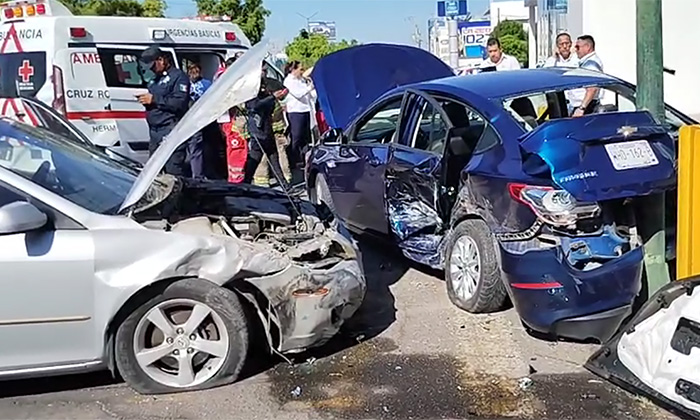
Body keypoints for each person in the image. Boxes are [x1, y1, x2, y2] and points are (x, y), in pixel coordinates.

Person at [137, 46, 190, 175]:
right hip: (155, 132)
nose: (152, 70)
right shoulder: (155, 80)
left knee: (173, 170)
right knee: (153, 172)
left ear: (161, 60)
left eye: (153, 66)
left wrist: (154, 99)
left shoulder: (178, 77)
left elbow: (179, 102)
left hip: (170, 129)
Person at [243, 73, 289, 188]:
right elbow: (255, 106)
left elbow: (270, 106)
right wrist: (273, 97)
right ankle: (245, 184)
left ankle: (285, 186)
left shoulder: (265, 91)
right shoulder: (251, 94)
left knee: (274, 158)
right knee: (254, 161)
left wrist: (277, 96)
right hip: (258, 132)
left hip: (267, 129)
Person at [215, 56, 250, 183]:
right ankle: (236, 180)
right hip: (230, 119)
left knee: (235, 149)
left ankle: (235, 178)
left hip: (227, 118)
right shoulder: (225, 79)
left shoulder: (221, 77)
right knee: (237, 149)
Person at [283, 60, 314, 171]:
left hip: (305, 109)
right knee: (296, 137)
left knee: (305, 137)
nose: (302, 71)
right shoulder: (289, 81)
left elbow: (308, 95)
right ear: (293, 70)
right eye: (300, 69)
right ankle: (293, 160)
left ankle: (304, 159)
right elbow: (298, 94)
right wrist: (309, 88)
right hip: (295, 111)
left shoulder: (301, 80)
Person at [543, 32, 583, 114]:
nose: (565, 47)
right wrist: (554, 57)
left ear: (571, 44)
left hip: (577, 103)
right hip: (559, 104)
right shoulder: (552, 61)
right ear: (557, 46)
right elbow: (545, 75)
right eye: (561, 44)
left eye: (567, 43)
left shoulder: (577, 59)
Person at [187, 63, 212, 179]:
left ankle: (200, 173)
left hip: (200, 118)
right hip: (192, 118)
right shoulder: (186, 83)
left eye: (196, 72)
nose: (194, 74)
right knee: (195, 148)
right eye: (192, 72)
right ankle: (198, 174)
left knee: (199, 148)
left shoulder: (206, 84)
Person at [572, 35, 605, 117]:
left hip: (587, 107)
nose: (576, 50)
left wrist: (581, 108)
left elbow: (592, 88)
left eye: (577, 47)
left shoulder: (591, 64)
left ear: (587, 47)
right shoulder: (586, 62)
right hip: (584, 106)